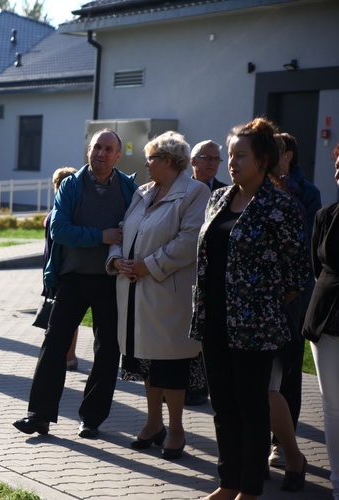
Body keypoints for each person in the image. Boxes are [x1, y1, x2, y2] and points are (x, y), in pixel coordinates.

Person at [191, 118, 311, 500]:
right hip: (213, 322)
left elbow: (297, 274)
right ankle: (228, 482)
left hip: (255, 327)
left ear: (262, 160)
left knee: (252, 408)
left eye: (240, 155)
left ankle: (250, 489)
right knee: (223, 407)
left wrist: (260, 306)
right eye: (229, 155)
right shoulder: (218, 199)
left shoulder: (280, 206)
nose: (231, 162)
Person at [12, 129, 137, 438]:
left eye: (109, 149)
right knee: (54, 345)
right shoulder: (70, 185)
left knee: (108, 350)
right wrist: (101, 236)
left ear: (118, 155)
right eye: (97, 147)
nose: (102, 154)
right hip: (73, 278)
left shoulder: (129, 188)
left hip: (111, 281)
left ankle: (91, 419)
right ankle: (39, 415)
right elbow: (60, 230)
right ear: (88, 150)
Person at [108, 131, 208, 460]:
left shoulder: (195, 192)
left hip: (167, 294)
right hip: (135, 290)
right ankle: (153, 424)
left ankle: (176, 430)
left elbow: (189, 240)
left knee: (170, 366)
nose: (146, 164)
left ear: (168, 161)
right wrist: (117, 258)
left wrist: (148, 265)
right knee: (147, 362)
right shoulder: (142, 192)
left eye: (151, 158)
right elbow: (123, 229)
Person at [268, 132, 321, 472]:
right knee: (263, 372)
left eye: (272, 151)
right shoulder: (258, 186)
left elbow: (306, 242)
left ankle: (283, 446)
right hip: (259, 295)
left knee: (288, 370)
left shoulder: (308, 192)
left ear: (287, 155)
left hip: (293, 294)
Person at [304, 153, 339, 499]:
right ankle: (338, 481)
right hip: (327, 318)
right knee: (332, 404)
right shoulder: (326, 216)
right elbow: (318, 267)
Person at [186, 140, 226, 407]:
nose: (212, 163)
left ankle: (201, 388)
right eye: (206, 158)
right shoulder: (181, 189)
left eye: (216, 159)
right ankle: (179, 384)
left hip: (212, 274)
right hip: (180, 271)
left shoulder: (227, 193)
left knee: (205, 332)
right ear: (193, 162)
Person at [40, 167, 80, 370]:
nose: (58, 188)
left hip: (62, 268)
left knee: (66, 317)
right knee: (63, 316)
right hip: (54, 267)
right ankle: (67, 354)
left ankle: (69, 355)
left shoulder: (66, 210)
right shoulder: (60, 207)